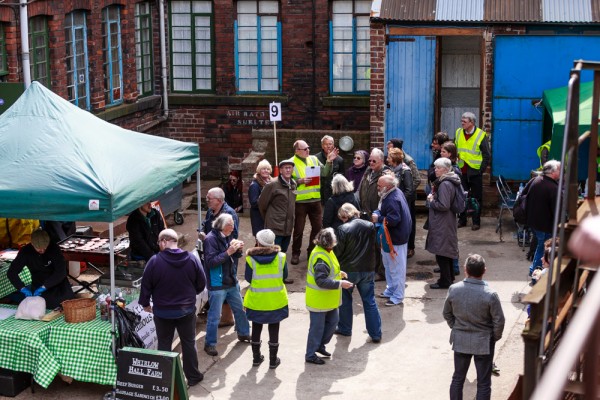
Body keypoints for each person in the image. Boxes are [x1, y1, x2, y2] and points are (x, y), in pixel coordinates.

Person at [138, 228, 206, 386]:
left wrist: (145, 304)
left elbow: (145, 286)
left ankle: (165, 380)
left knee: (164, 344)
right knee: (188, 342)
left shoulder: (154, 261)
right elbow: (201, 283)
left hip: (162, 312)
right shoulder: (191, 258)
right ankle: (193, 376)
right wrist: (191, 295)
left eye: (159, 242)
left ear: (163, 242)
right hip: (186, 310)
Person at [443, 254, 505, 400]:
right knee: (483, 383)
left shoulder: (454, 289)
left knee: (458, 379)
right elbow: (499, 321)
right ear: (484, 270)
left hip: (461, 340)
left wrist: (457, 327)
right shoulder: (490, 295)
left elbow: (446, 313)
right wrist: (493, 337)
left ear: (465, 270)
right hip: (483, 342)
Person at [203, 213, 251, 356]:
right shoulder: (210, 239)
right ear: (223, 226)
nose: (233, 228)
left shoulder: (227, 235)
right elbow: (211, 262)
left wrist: (238, 251)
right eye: (231, 225)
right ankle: (209, 344)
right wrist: (229, 252)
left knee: (240, 310)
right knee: (214, 315)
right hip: (217, 283)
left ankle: (243, 333)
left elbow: (232, 256)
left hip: (231, 280)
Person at [305, 228, 353, 365]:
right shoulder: (321, 258)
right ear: (329, 243)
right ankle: (310, 353)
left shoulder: (326, 252)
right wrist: (340, 283)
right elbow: (321, 281)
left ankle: (320, 345)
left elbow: (329, 271)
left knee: (332, 323)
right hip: (319, 300)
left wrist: (339, 273)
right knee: (317, 328)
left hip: (328, 299)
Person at [334, 203, 381, 342]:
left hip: (348, 270)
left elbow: (338, 251)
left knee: (346, 300)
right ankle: (376, 333)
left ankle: (345, 328)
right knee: (369, 300)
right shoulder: (370, 226)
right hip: (367, 268)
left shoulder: (342, 229)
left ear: (344, 216)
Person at [243, 229, 289, 369]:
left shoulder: (250, 259)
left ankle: (256, 359)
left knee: (256, 328)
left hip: (257, 301)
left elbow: (248, 278)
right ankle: (273, 361)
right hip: (276, 301)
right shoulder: (281, 257)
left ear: (258, 242)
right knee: (274, 328)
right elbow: (285, 276)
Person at [289, 140, 336, 265]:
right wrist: (300, 181)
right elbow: (286, 181)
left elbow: (325, 173)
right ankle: (295, 253)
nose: (308, 150)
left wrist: (329, 161)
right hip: (300, 201)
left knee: (317, 227)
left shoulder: (314, 159)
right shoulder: (290, 163)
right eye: (305, 149)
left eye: (308, 148)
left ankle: (311, 250)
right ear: (297, 151)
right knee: (299, 229)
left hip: (315, 200)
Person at [8, 229, 74, 309]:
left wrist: (45, 286)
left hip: (59, 286)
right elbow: (11, 272)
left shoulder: (54, 248)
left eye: (45, 248)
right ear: (32, 244)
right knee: (40, 309)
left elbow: (61, 272)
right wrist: (22, 287)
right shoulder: (25, 252)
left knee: (64, 307)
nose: (42, 250)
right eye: (39, 248)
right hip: (38, 285)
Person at [372, 174, 412, 306]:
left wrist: (378, 218)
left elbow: (393, 220)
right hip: (390, 237)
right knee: (389, 266)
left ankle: (398, 296)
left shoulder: (392, 199)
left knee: (396, 269)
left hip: (395, 238)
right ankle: (391, 290)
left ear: (388, 186)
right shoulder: (393, 192)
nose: (377, 187)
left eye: (379, 185)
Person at [258, 159, 297, 281]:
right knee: (272, 253)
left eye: (290, 168)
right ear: (280, 170)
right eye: (285, 168)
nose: (288, 170)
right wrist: (269, 220)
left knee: (283, 253)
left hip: (288, 227)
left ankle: (282, 277)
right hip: (275, 226)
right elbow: (262, 204)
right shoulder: (272, 184)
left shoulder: (293, 184)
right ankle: (271, 278)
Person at [426, 157, 461, 289]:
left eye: (438, 168)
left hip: (443, 221)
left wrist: (431, 201)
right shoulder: (447, 181)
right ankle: (449, 277)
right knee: (445, 251)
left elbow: (444, 205)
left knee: (441, 252)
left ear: (446, 170)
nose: (435, 170)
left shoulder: (445, 184)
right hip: (445, 220)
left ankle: (445, 281)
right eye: (435, 167)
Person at [524, 160, 561, 276]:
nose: (561, 172)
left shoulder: (536, 180)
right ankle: (535, 273)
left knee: (539, 246)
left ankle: (533, 270)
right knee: (543, 248)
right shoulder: (553, 187)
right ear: (553, 172)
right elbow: (557, 211)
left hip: (534, 222)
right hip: (544, 225)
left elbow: (523, 196)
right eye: (559, 170)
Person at [455, 112, 491, 231]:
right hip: (461, 171)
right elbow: (456, 149)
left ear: (472, 122)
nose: (462, 123)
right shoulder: (459, 132)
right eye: (462, 121)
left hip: (475, 172)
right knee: (461, 196)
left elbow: (487, 155)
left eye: (464, 121)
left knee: (476, 198)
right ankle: (462, 220)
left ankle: (476, 222)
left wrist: (480, 170)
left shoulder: (481, 135)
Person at [358, 148, 389, 281]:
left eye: (374, 161)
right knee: (371, 244)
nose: (370, 163)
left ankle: (381, 272)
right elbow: (361, 188)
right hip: (366, 214)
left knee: (380, 245)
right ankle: (374, 268)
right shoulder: (368, 171)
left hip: (378, 215)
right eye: (369, 160)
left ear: (381, 161)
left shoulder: (386, 174)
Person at [386, 139, 420, 259]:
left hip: (407, 201)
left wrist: (402, 199)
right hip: (399, 199)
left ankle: (410, 247)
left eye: (389, 148)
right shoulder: (391, 168)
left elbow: (416, 180)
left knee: (409, 223)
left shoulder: (408, 162)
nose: (387, 151)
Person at [314, 135, 345, 205]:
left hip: (333, 193)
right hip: (319, 192)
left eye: (330, 144)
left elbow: (342, 178)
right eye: (326, 144)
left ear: (333, 145)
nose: (328, 146)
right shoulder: (316, 158)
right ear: (322, 146)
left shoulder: (340, 160)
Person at [248, 159, 273, 238]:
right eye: (263, 169)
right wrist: (269, 201)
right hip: (258, 217)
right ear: (259, 170)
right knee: (261, 240)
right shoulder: (254, 185)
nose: (266, 171)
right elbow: (254, 203)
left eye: (268, 169)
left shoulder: (272, 182)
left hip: (269, 216)